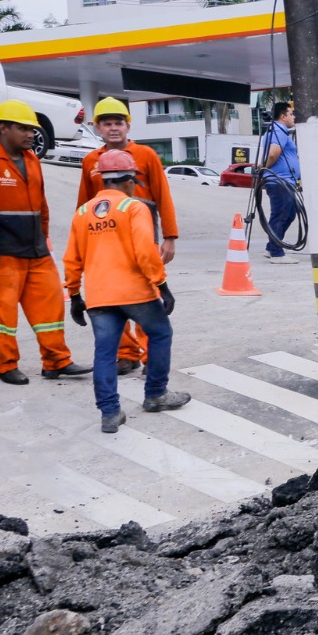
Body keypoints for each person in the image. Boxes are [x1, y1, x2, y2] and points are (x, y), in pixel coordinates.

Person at [64, 150, 190, 433]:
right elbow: (145, 251)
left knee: (105, 353)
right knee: (160, 333)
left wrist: (74, 296)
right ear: (129, 180)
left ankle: (109, 414)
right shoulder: (134, 208)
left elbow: (72, 258)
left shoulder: (83, 213)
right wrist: (162, 286)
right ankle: (156, 393)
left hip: (98, 296)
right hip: (135, 293)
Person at [0, 100, 90, 386]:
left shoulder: (32, 159)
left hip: (35, 249)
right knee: (2, 313)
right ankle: (5, 364)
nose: (30, 135)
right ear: (3, 128)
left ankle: (56, 361)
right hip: (0, 252)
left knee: (49, 308)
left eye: (32, 129)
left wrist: (44, 238)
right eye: (23, 128)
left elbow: (40, 204)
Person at [77, 96, 180, 377]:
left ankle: (150, 355)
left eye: (118, 123)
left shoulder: (145, 156)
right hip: (104, 237)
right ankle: (126, 354)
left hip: (143, 231)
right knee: (111, 294)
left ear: (128, 126)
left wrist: (169, 237)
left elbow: (162, 195)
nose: (113, 128)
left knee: (144, 292)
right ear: (97, 127)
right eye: (106, 123)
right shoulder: (91, 161)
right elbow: (84, 204)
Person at [259, 100, 301, 262]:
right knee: (282, 214)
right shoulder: (278, 131)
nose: (294, 117)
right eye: (291, 114)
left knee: (289, 214)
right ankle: (276, 253)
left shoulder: (279, 132)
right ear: (283, 116)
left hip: (285, 181)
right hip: (279, 181)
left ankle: (272, 248)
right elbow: (272, 154)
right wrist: (264, 168)